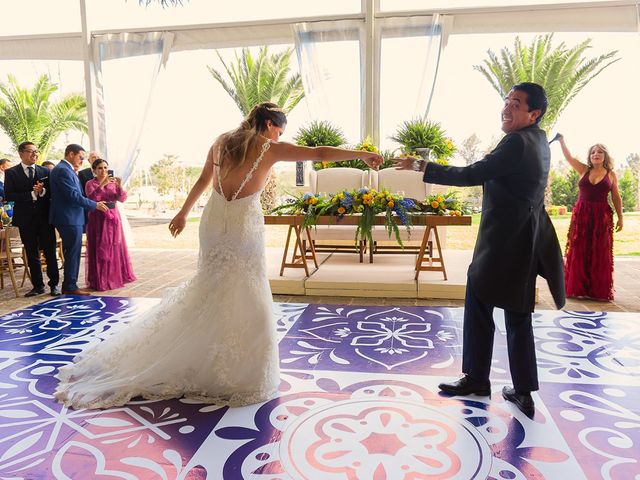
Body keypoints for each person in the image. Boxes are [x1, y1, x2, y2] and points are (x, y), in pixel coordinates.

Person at [54, 102, 383, 409]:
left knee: (212, 287)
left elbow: (202, 180)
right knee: (246, 290)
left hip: (213, 220)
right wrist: (361, 155)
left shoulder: (221, 141)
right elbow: (318, 153)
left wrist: (183, 213)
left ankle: (202, 357)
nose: (280, 137)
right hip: (242, 223)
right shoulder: (268, 147)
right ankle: (240, 372)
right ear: (269, 125)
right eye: (280, 131)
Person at [396, 83, 565, 417]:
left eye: (515, 104)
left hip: (503, 240)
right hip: (525, 238)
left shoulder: (517, 142)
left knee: (479, 300)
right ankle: (523, 390)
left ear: (534, 113)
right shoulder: (539, 141)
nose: (507, 107)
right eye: (506, 101)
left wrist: (422, 167)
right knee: (517, 313)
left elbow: (473, 173)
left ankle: (476, 378)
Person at [557, 136, 623, 300]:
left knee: (599, 251)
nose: (596, 154)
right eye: (593, 152)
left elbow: (616, 197)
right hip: (582, 214)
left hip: (601, 216)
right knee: (579, 249)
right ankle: (577, 288)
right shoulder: (583, 170)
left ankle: (596, 290)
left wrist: (621, 217)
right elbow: (569, 157)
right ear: (590, 156)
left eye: (600, 152)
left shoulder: (611, 174)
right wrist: (562, 141)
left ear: (605, 156)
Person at [49, 144, 108, 295]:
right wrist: (95, 205)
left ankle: (70, 284)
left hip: (72, 216)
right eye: (80, 157)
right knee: (73, 252)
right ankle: (70, 286)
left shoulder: (68, 170)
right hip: (68, 217)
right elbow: (73, 196)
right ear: (70, 154)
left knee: (73, 251)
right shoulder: (63, 170)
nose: (82, 160)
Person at [3, 143, 60, 297]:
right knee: (31, 253)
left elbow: (51, 194)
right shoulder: (11, 173)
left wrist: (42, 191)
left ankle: (54, 284)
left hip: (45, 219)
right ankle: (38, 286)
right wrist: (31, 195)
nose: (35, 154)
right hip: (25, 220)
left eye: (36, 151)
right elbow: (9, 196)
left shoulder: (45, 171)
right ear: (21, 154)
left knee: (50, 251)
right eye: (31, 152)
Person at [84, 158, 136, 291]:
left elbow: (122, 199)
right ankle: (100, 280)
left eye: (105, 168)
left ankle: (114, 277)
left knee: (114, 246)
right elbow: (91, 199)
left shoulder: (112, 183)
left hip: (113, 218)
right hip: (98, 219)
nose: (103, 171)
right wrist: (102, 184)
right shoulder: (90, 183)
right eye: (100, 168)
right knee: (101, 248)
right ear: (94, 170)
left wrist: (119, 186)